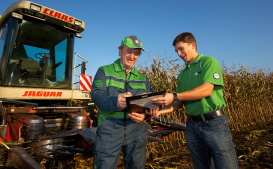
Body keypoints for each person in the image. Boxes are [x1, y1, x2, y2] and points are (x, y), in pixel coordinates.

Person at [148, 32, 240, 169]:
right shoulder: (182, 75)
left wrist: (173, 96)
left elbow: (207, 89)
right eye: (176, 51)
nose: (178, 54)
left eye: (181, 49)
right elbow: (179, 103)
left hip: (214, 123)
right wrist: (159, 112)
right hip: (191, 126)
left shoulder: (208, 62)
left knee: (226, 166)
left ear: (193, 45)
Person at [91, 35, 152, 169]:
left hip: (136, 130)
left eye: (136, 53)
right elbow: (96, 94)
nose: (132, 56)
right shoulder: (104, 71)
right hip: (109, 128)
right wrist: (115, 102)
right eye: (128, 51)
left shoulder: (143, 78)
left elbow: (149, 104)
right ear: (120, 51)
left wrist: (144, 116)